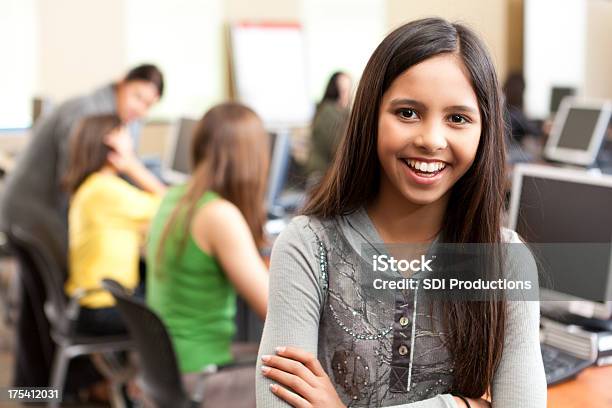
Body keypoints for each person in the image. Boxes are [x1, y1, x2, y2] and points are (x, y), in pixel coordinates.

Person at [256, 18, 546, 408]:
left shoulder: (505, 262)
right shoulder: (308, 245)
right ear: (371, 117)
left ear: (484, 131)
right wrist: (462, 405)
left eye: (458, 118)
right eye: (407, 113)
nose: (430, 139)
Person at [0, 64, 163, 387]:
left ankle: (44, 384)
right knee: (43, 303)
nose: (139, 109)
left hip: (31, 214)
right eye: (137, 97)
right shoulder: (90, 112)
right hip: (32, 215)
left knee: (39, 307)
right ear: (121, 83)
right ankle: (62, 383)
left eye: (148, 105)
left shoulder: (99, 112)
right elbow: (73, 175)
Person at [146, 102, 269, 377]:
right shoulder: (219, 215)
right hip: (200, 373)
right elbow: (276, 310)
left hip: (169, 368)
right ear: (250, 158)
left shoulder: (175, 196)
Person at [63, 114, 166, 335]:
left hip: (88, 301)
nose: (132, 146)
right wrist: (132, 165)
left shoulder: (92, 186)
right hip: (102, 307)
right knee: (176, 313)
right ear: (111, 148)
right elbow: (170, 207)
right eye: (127, 141)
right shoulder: (107, 192)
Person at [306, 71, 352, 182]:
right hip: (322, 176)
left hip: (331, 175)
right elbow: (337, 147)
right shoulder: (328, 112)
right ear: (335, 90)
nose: (347, 94)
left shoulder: (344, 112)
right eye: (343, 90)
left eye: (349, 89)